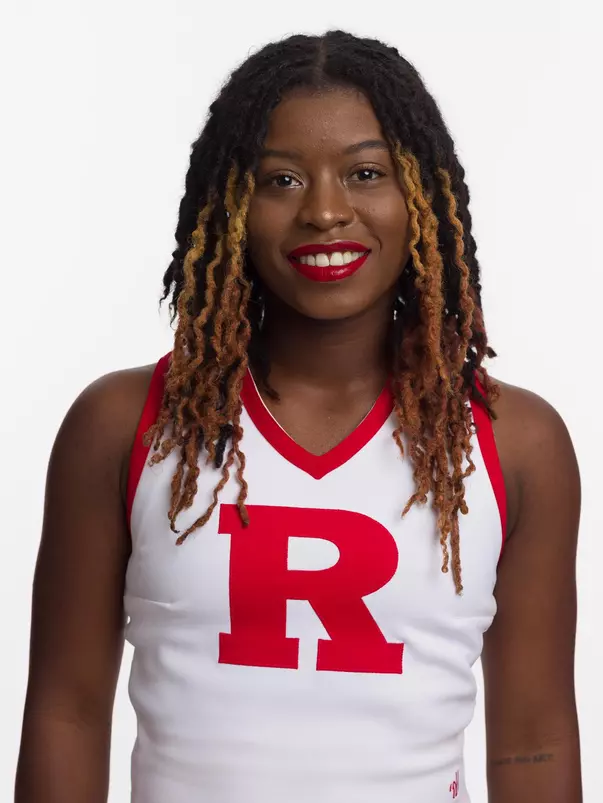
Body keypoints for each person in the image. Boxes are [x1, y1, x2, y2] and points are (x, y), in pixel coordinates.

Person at [15, 29, 581, 803]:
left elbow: (533, 738)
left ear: (422, 195)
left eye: (365, 172)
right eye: (279, 179)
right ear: (230, 207)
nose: (324, 210)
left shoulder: (513, 442)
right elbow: (66, 713)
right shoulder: (123, 423)